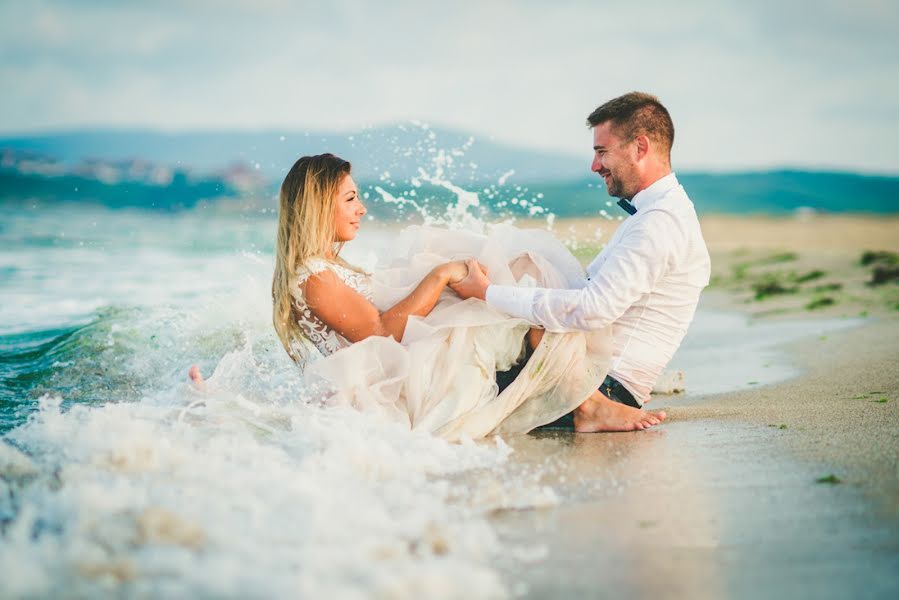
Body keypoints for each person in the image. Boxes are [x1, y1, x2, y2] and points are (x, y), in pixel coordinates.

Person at [192, 153, 614, 441]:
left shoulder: (325, 269)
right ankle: (590, 407)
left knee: (510, 282)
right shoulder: (314, 277)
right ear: (320, 205)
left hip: (397, 369)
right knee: (501, 302)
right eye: (351, 198)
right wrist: (442, 274)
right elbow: (379, 334)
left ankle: (588, 401)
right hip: (396, 384)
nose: (361, 209)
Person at [451, 91, 711, 432]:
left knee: (446, 389)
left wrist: (487, 293)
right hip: (591, 377)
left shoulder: (658, 224)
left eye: (602, 152)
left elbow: (591, 309)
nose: (595, 166)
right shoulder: (658, 215)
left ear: (640, 147)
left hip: (596, 390)